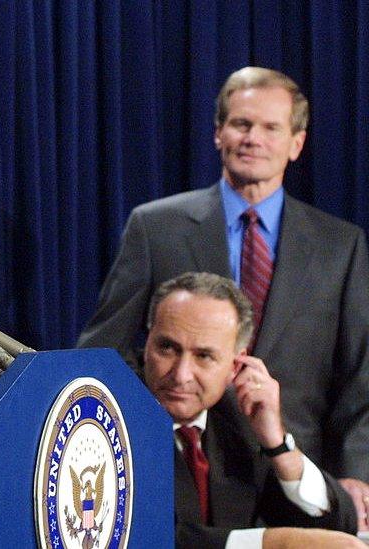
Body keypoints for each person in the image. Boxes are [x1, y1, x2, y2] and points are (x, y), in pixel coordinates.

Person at [76, 66, 369, 525]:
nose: (254, 138)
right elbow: (100, 350)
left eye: (271, 127)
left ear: (296, 143)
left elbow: (360, 375)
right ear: (218, 133)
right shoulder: (156, 227)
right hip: (179, 475)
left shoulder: (341, 245)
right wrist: (162, 407)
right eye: (241, 124)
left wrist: (356, 474)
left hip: (294, 474)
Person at [142, 272, 360, 548]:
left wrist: (278, 446)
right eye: (167, 348)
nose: (181, 374)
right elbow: (140, 537)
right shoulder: (111, 414)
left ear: (235, 365)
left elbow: (339, 523)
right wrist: (270, 543)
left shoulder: (239, 416)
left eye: (204, 356)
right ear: (148, 343)